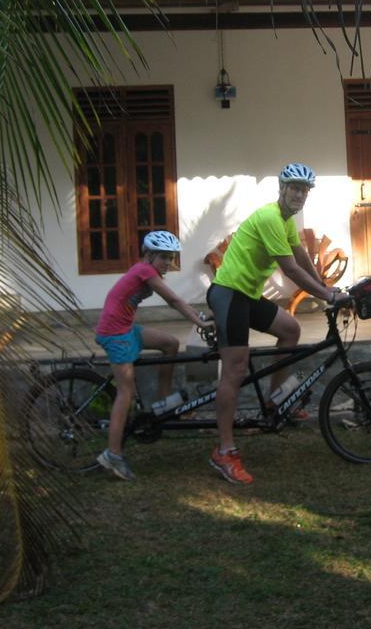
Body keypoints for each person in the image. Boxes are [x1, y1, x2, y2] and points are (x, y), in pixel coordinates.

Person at [205, 163, 350, 484]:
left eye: (305, 190)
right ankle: (224, 452)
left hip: (246, 294)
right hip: (229, 293)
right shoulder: (271, 216)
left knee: (290, 329)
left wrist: (327, 286)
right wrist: (326, 295)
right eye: (294, 188)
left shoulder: (286, 220)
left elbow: (302, 259)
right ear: (282, 189)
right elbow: (291, 271)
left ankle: (274, 401)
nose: (299, 194)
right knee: (235, 368)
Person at [94, 230, 214, 481]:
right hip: (116, 334)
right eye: (163, 258)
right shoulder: (144, 271)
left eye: (171, 258)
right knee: (125, 393)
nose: (168, 263)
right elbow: (173, 300)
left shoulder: (147, 270)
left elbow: (175, 301)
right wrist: (200, 322)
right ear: (147, 255)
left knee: (170, 344)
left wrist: (200, 317)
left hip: (126, 329)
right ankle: (112, 455)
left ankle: (162, 402)